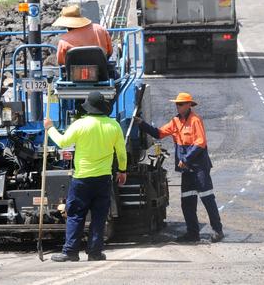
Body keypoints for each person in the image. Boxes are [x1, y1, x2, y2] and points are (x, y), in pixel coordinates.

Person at [44, 91, 127, 262]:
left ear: (88, 107)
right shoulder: (114, 126)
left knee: (75, 214)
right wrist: (122, 171)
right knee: (99, 217)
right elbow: (121, 153)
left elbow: (62, 142)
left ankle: (70, 252)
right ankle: (95, 252)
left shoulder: (80, 124)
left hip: (82, 178)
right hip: (103, 179)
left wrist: (49, 128)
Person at [135, 92, 224, 243]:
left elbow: (200, 143)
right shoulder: (176, 121)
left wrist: (186, 159)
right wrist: (141, 123)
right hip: (186, 169)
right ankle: (192, 233)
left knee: (207, 198)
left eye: (181, 104)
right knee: (187, 202)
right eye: (177, 104)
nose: (178, 106)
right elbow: (159, 133)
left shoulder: (196, 120)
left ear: (189, 105)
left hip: (199, 168)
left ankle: (217, 230)